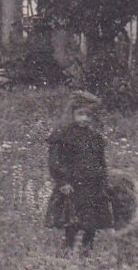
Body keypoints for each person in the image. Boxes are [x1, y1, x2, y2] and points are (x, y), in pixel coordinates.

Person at [44, 90, 114, 252]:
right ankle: (68, 250)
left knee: (92, 222)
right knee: (73, 221)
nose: (84, 119)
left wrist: (103, 182)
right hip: (73, 185)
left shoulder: (95, 138)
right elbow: (55, 161)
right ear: (72, 113)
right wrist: (62, 181)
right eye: (80, 114)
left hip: (93, 185)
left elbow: (101, 161)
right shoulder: (63, 136)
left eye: (88, 115)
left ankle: (87, 251)